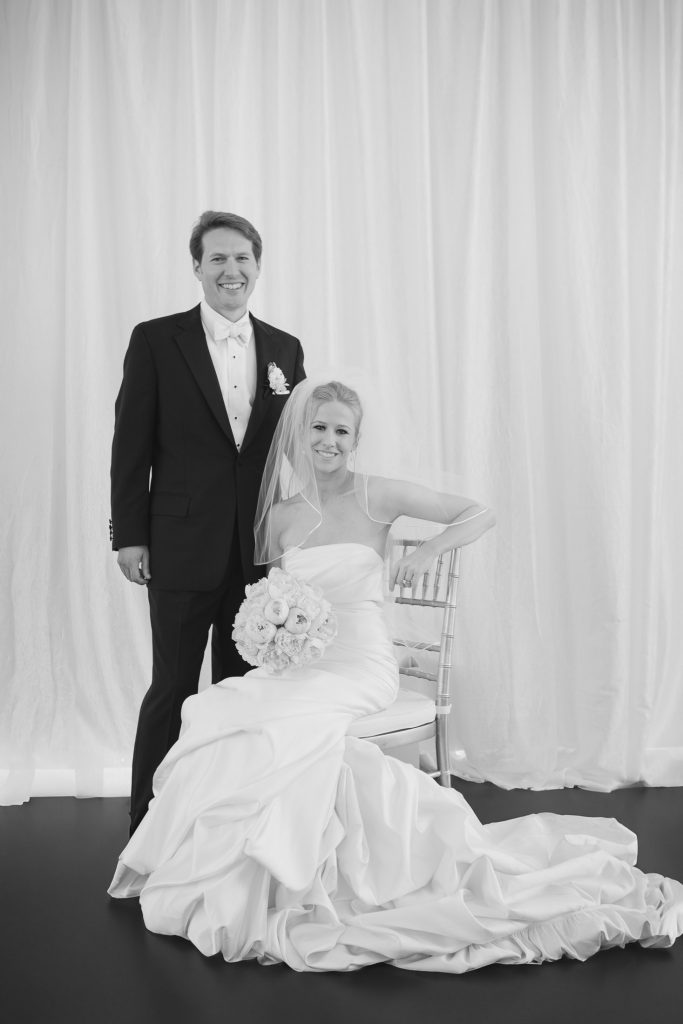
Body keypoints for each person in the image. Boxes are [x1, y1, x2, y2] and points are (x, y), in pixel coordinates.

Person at [109, 379, 683, 972]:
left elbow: (479, 512)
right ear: (299, 434)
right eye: (319, 427)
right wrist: (272, 634)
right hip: (311, 665)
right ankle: (252, 871)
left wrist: (428, 551)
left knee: (282, 724)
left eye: (341, 431)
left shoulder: (374, 496)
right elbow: (282, 597)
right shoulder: (279, 518)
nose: (328, 441)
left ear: (355, 440)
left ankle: (295, 867)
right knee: (226, 707)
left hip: (361, 665)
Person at [110, 211, 305, 835]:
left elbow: (293, 448)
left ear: (257, 266)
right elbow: (129, 445)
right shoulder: (155, 339)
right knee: (171, 687)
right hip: (177, 546)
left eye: (242, 258)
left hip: (255, 552)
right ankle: (147, 820)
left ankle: (226, 817)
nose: (231, 270)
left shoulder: (284, 349)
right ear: (196, 267)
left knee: (241, 690)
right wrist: (131, 535)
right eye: (217, 258)